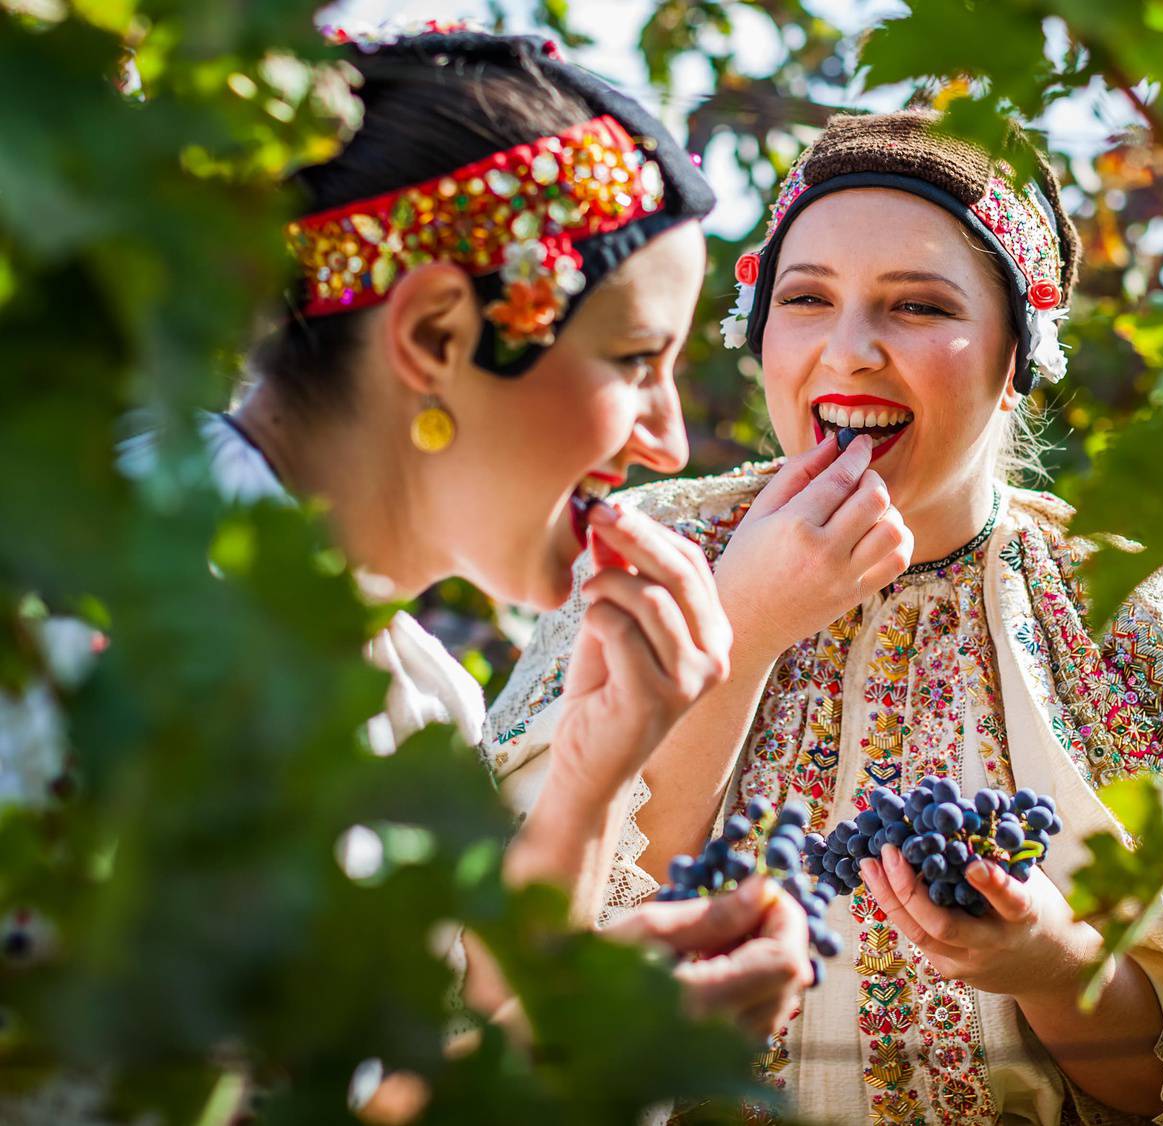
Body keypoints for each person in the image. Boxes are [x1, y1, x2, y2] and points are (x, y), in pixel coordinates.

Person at [488, 109, 1163, 1124]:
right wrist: (742, 622)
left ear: (1017, 360)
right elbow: (529, 973)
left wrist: (1052, 964)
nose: (852, 351)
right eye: (806, 299)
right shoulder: (639, 554)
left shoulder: (1121, 614)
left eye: (918, 307)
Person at [146, 28, 813, 1039]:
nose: (669, 445)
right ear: (434, 337)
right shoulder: (103, 600)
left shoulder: (429, 707)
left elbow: (442, 1055)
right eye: (636, 359)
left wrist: (591, 783)